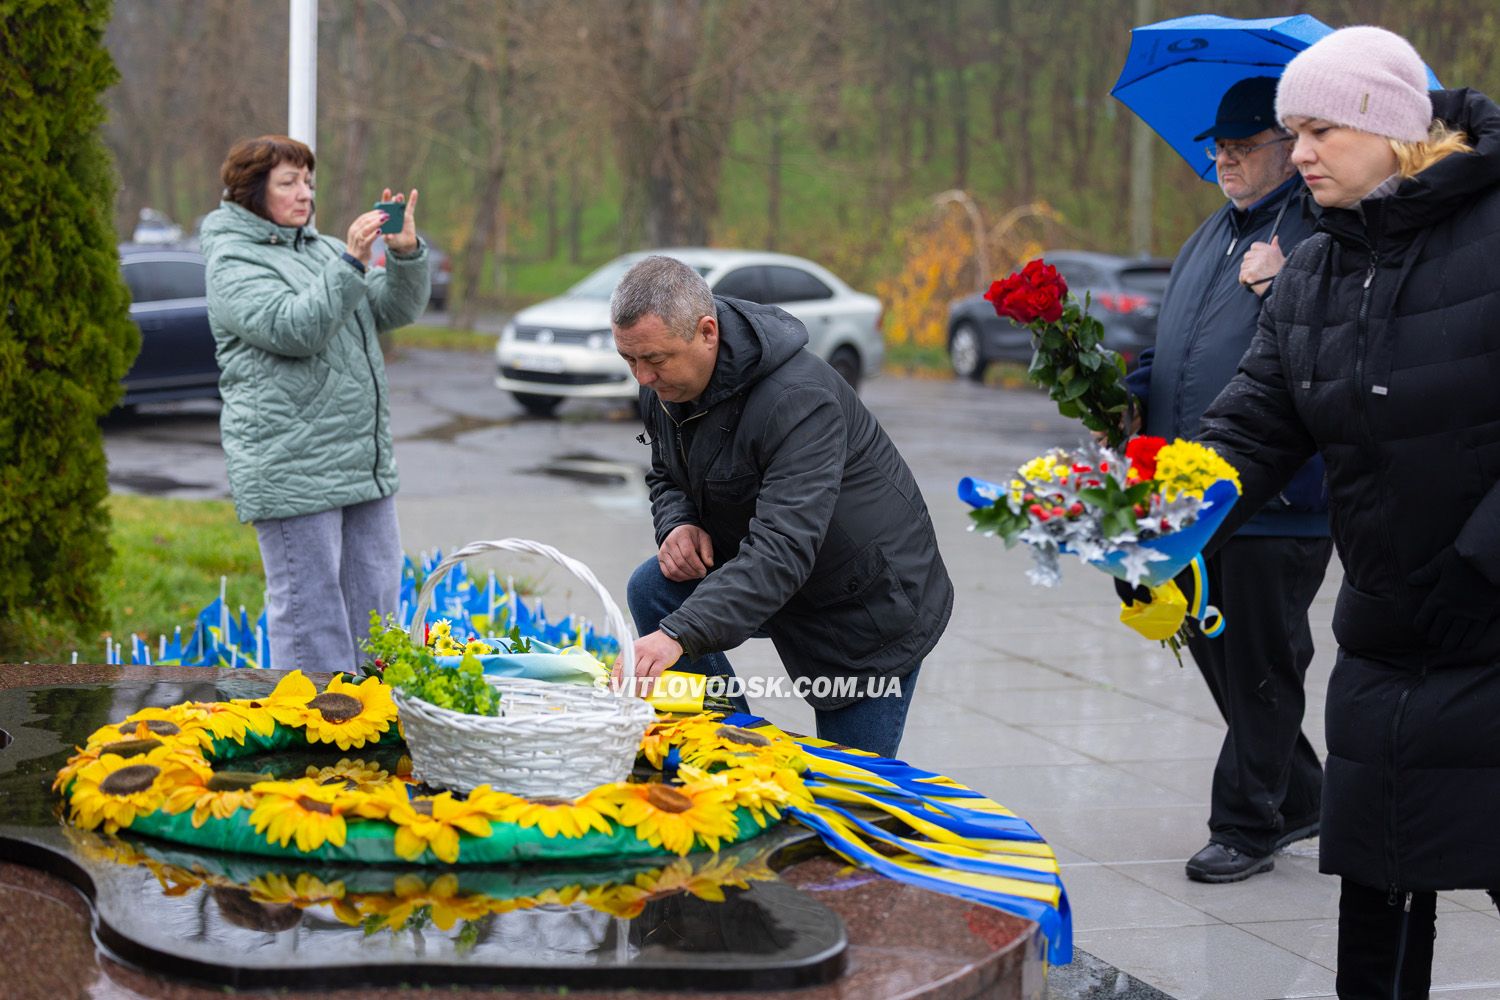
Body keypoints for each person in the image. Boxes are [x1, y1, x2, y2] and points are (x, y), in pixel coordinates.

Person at [1193, 26, 1500, 998]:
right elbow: (1251, 426)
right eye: (1292, 133)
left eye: (1320, 129)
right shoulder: (1316, 270)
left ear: (1393, 128)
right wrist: (1153, 515)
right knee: (1374, 889)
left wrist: (1479, 565)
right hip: (1382, 636)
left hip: (1493, 632)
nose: (1300, 154)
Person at [612, 255, 953, 759]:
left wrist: (677, 635)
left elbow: (782, 550)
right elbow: (666, 472)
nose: (642, 377)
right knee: (654, 588)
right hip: (782, 575)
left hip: (866, 606)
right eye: (630, 360)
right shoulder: (666, 383)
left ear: (708, 332)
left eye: (655, 361)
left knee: (855, 798)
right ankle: (732, 751)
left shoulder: (798, 398)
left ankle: (838, 806)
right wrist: (678, 521)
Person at [1122, 76, 1333, 884]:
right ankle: (1304, 792)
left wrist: (1287, 280)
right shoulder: (1211, 234)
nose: (1224, 160)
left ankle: (1247, 826)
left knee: (1261, 657)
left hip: (1280, 494)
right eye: (1219, 147)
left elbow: (1340, 339)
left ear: (1290, 147)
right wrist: (1132, 394)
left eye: (1243, 147)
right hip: (1191, 488)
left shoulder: (1322, 233)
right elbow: (1171, 339)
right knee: (1218, 647)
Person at [200, 135, 430, 672]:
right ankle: (315, 734)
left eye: (308, 182)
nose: (305, 194)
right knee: (311, 617)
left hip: (361, 462)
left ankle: (376, 727)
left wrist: (402, 254)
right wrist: (350, 261)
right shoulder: (232, 261)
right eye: (289, 183)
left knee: (378, 614)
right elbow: (293, 328)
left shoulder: (320, 249)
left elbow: (391, 308)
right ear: (251, 192)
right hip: (291, 466)